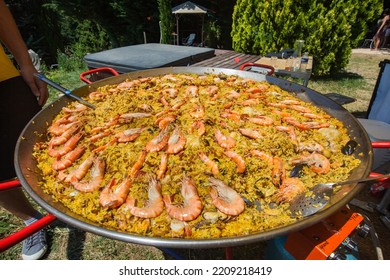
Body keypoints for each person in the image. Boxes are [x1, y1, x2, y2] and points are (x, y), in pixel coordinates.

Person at [0, 0, 49, 259]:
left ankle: (68, 200)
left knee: (41, 145)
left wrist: (25, 63)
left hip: (2, 78)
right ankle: (31, 220)